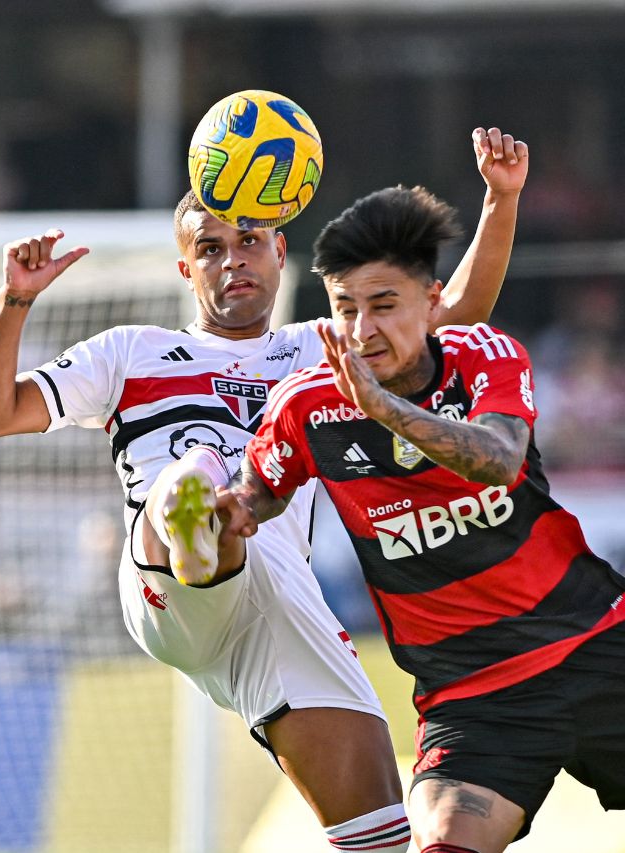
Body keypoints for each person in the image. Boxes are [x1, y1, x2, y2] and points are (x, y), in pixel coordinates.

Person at [0, 127, 527, 851]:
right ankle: (196, 527)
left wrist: (501, 198)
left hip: (275, 600)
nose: (231, 260)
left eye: (248, 241)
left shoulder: (320, 348)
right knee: (199, 472)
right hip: (169, 583)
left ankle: (212, 522)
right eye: (209, 248)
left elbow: (453, 315)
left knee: (384, 834)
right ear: (186, 269)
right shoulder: (129, 351)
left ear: (280, 253)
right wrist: (13, 302)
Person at [218, 182, 625, 852]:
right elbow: (258, 491)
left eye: (383, 305)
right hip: (474, 698)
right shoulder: (306, 406)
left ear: (432, 302)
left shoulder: (482, 356)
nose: (362, 329)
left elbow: (497, 459)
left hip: (593, 643)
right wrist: (227, 512)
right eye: (345, 308)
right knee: (441, 842)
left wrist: (384, 409)